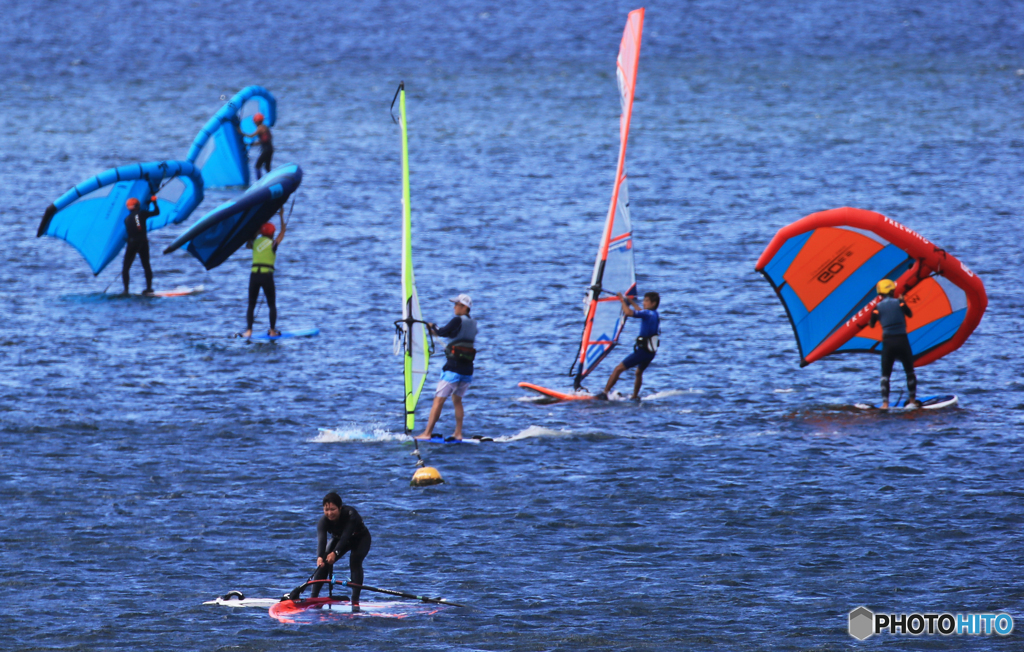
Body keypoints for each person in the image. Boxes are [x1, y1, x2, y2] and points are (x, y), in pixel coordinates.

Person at [289, 492, 372, 605]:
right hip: (339, 540)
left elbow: (345, 536)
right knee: (323, 563)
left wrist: (335, 553)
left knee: (355, 560)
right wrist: (319, 557)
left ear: (340, 508)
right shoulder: (323, 521)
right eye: (326, 510)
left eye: (333, 509)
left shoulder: (350, 514)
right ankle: (313, 598)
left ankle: (355, 600)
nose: (329, 513)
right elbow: (322, 541)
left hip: (360, 539)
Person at [416, 294, 477, 441]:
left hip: (453, 370)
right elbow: (455, 334)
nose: (454, 307)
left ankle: (427, 433)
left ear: (465, 307)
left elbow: (442, 332)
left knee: (438, 400)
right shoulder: (473, 323)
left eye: (457, 304)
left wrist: (433, 327)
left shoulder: (457, 320)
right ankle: (458, 433)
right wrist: (438, 331)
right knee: (457, 400)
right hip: (467, 370)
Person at [596, 291, 660, 400]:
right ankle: (635, 396)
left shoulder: (648, 314)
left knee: (618, 369)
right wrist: (629, 300)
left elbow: (628, 312)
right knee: (638, 372)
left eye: (646, 301)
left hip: (642, 352)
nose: (644, 303)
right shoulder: (654, 314)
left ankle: (605, 393)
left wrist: (621, 300)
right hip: (651, 352)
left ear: (653, 303)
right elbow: (640, 311)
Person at [869, 279, 918, 409]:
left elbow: (871, 324)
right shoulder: (900, 303)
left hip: (888, 343)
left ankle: (885, 404)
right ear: (892, 291)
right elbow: (909, 314)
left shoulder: (877, 308)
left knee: (885, 375)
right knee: (909, 372)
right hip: (902, 341)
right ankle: (912, 402)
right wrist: (902, 301)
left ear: (880, 293)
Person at [241, 209, 286, 338]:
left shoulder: (254, 243)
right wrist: (282, 217)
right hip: (266, 276)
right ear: (272, 234)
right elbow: (283, 232)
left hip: (254, 276)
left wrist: (258, 226)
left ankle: (248, 331)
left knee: (251, 304)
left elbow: (248, 243)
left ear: (262, 233)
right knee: (271, 304)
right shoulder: (273, 244)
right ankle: (272, 331)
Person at [122, 195, 160, 295]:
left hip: (132, 243)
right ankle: (149, 288)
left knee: (125, 268)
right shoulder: (142, 213)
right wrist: (154, 202)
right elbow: (156, 212)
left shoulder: (126, 219)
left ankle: (126, 290)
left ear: (128, 207)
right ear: (138, 205)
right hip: (143, 242)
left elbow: (131, 230)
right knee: (146, 265)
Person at [239, 112, 273, 180]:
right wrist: (249, 144)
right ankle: (272, 179)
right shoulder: (265, 128)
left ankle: (259, 181)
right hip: (270, 149)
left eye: (255, 122)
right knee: (267, 167)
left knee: (257, 166)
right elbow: (263, 141)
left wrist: (241, 132)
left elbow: (251, 136)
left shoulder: (260, 128)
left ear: (257, 121)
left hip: (266, 150)